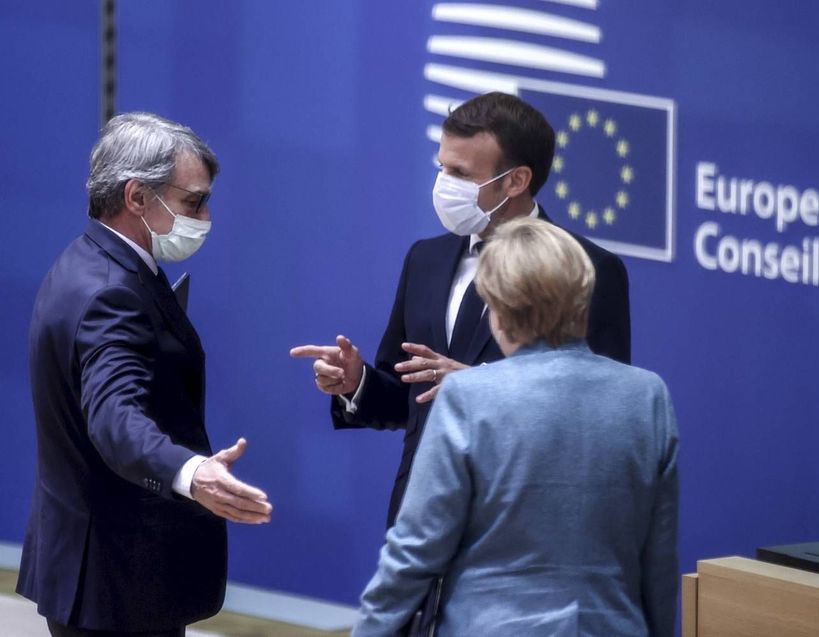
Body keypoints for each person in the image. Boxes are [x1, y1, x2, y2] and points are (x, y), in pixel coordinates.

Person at [291, 91, 631, 528]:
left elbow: (601, 420)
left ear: (515, 180)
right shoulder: (425, 260)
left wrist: (483, 389)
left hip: (517, 530)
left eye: (460, 173)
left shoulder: (589, 270)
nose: (444, 183)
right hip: (418, 524)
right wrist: (356, 383)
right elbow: (408, 396)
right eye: (442, 167)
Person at [353, 217, 678, 636]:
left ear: (499, 312)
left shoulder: (467, 397)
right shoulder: (648, 398)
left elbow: (414, 554)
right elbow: (659, 561)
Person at [19, 112, 273, 637]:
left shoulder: (82, 261)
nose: (205, 217)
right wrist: (190, 472)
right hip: (116, 580)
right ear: (137, 197)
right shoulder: (112, 293)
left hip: (93, 568)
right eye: (193, 202)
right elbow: (114, 418)